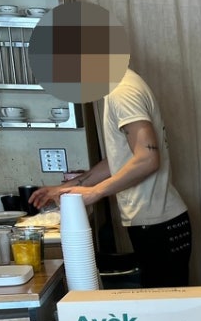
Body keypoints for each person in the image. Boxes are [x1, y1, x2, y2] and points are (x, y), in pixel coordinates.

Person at [29, 68, 192, 288]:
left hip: (160, 226)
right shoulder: (118, 87)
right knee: (161, 309)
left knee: (166, 313)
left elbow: (148, 158)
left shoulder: (122, 91)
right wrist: (68, 187)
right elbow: (120, 159)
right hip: (156, 223)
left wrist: (95, 193)